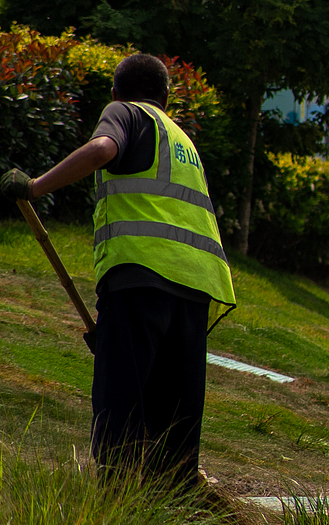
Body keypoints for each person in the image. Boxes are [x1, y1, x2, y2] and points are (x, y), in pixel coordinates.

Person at [0, 52, 236, 491]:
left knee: (122, 396)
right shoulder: (182, 138)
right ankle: (177, 505)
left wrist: (34, 187)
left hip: (140, 274)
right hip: (197, 285)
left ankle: (119, 501)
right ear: (168, 97)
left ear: (115, 92)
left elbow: (103, 149)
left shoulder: (124, 112)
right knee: (175, 413)